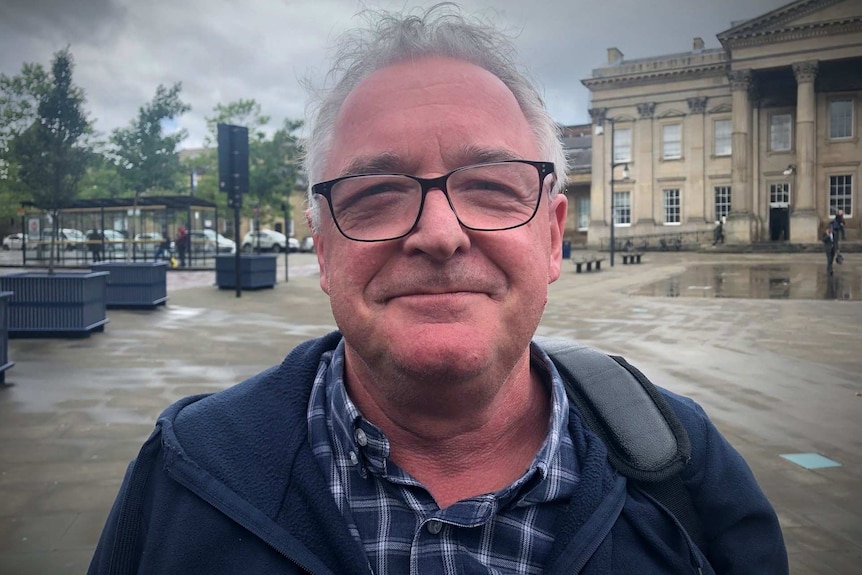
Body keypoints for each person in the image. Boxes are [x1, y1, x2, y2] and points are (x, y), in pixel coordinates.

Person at [89, 6, 787, 574]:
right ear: (323, 247)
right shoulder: (186, 472)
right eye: (376, 193)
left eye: (489, 186)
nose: (440, 233)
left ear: (552, 235)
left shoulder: (685, 466)